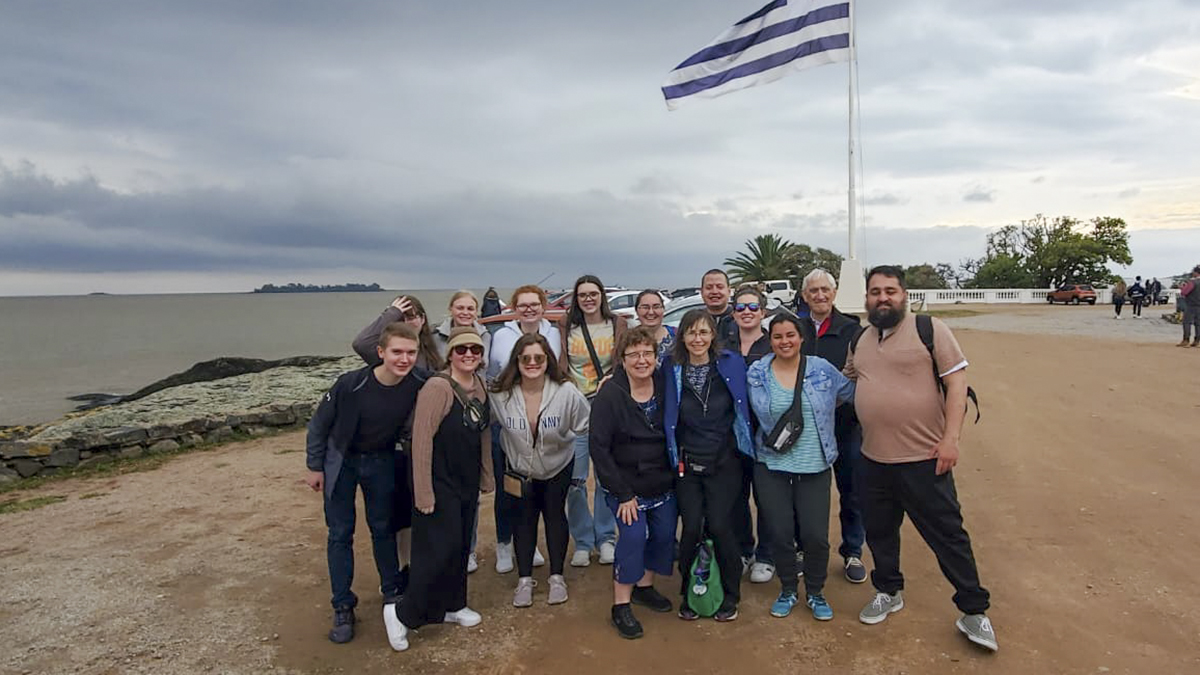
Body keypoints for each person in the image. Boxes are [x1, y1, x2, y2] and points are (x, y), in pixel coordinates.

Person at [845, 265, 997, 653]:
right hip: (873, 459)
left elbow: (957, 383)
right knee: (879, 532)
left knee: (947, 535)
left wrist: (951, 439)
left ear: (904, 295)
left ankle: (974, 611)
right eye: (875, 291)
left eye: (890, 291)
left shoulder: (930, 330)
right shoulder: (860, 339)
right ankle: (888, 590)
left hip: (924, 458)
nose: (883, 298)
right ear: (866, 298)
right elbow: (849, 381)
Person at [305, 322, 429, 644]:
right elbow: (319, 426)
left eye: (411, 353)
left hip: (381, 460)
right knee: (340, 533)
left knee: (382, 528)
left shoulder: (419, 382)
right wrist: (315, 467)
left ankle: (391, 592)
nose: (404, 359)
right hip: (341, 461)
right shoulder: (351, 384)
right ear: (380, 353)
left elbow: (451, 388)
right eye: (396, 352)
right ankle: (342, 605)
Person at [384, 327, 495, 652]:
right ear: (451, 354)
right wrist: (423, 493)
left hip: (465, 481)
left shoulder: (480, 386)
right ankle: (402, 612)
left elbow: (484, 433)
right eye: (462, 351)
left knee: (460, 546)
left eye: (475, 350)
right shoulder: (437, 387)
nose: (469, 355)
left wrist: (486, 475)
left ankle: (453, 604)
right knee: (436, 551)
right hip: (437, 482)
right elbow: (420, 441)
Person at [746, 314, 854, 622]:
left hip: (814, 464)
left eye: (790, 335)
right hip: (771, 463)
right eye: (778, 336)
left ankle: (816, 592)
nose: (785, 341)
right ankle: (789, 589)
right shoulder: (757, 372)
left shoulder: (821, 370)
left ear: (801, 337)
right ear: (771, 340)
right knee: (780, 533)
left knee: (815, 535)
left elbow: (853, 394)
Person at [664, 310, 755, 621]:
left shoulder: (731, 362)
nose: (697, 339)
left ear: (713, 335)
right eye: (691, 333)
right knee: (690, 527)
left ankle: (730, 593)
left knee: (719, 525)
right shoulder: (671, 365)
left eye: (703, 332)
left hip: (725, 458)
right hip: (686, 460)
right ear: (683, 337)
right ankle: (690, 591)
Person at [589, 326, 678, 639]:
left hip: (662, 482)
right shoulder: (610, 395)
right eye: (634, 355)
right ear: (622, 360)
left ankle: (645, 587)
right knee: (633, 536)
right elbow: (598, 448)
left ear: (656, 357)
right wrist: (623, 494)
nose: (642, 360)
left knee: (665, 535)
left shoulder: (666, 384)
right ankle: (621, 604)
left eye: (647, 353)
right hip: (625, 485)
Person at [489, 333, 590, 607]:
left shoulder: (566, 391)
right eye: (526, 358)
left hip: (558, 465)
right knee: (523, 520)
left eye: (539, 358)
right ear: (517, 361)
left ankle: (557, 577)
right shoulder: (500, 394)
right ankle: (524, 580)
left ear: (548, 360)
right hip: (520, 468)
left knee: (555, 515)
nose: (532, 363)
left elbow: (586, 425)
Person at [797, 269, 868, 585]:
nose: (820, 295)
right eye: (813, 291)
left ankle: (853, 550)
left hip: (845, 426)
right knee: (806, 494)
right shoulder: (793, 329)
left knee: (852, 491)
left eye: (825, 290)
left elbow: (859, 375)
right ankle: (804, 549)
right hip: (804, 431)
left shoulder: (853, 330)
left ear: (834, 293)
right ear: (804, 295)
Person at [557, 275, 625, 568]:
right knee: (575, 479)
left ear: (601, 296)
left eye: (593, 293)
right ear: (576, 298)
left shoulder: (618, 324)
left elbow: (625, 359)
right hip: (576, 404)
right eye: (582, 294)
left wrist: (615, 379)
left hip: (607, 403)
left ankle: (606, 538)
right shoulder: (565, 326)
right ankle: (583, 541)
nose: (588, 299)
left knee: (607, 475)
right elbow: (560, 362)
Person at [729, 287, 773, 582]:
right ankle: (744, 549)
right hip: (731, 436)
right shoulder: (722, 346)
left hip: (767, 434)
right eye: (741, 307)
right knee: (736, 497)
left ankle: (767, 555)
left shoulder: (774, 344)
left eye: (753, 307)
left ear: (763, 312)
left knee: (768, 498)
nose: (747, 312)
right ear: (733, 313)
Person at [354, 295, 442, 370]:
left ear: (422, 318)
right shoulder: (387, 354)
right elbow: (361, 344)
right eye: (399, 320)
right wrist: (392, 313)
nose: (405, 324)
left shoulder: (436, 347)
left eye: (411, 318)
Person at [431, 290, 492, 364]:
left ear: (476, 311)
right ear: (451, 309)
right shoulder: (436, 337)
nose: (465, 313)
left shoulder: (485, 336)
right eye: (460, 308)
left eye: (470, 309)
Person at [634, 289, 675, 364]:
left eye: (656, 307)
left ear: (663, 309)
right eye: (645, 307)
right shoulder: (627, 340)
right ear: (636, 311)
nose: (651, 312)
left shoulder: (678, 336)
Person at [700, 269, 738, 349]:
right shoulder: (694, 321)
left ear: (729, 291)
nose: (714, 291)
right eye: (709, 287)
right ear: (702, 292)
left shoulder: (740, 320)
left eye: (720, 287)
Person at [1178, 265, 1200, 347]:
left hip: (1191, 304)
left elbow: (1184, 292)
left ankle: (1186, 340)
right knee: (1198, 323)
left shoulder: (1192, 282)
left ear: (1195, 273)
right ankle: (1197, 340)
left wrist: (1182, 288)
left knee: (1187, 322)